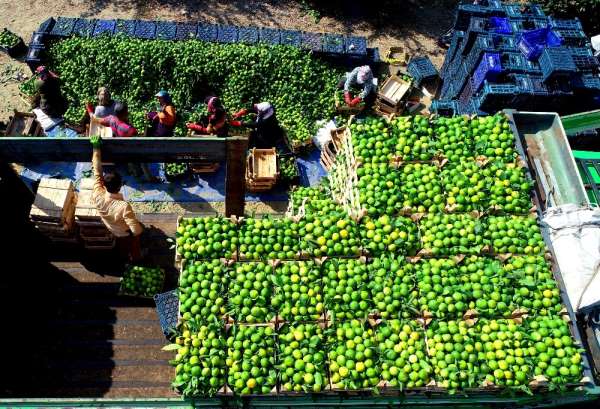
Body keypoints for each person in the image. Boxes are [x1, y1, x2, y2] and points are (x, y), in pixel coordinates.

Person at [89, 134, 144, 262]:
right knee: (133, 243)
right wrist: (136, 233)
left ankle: (125, 255)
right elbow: (136, 230)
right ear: (120, 186)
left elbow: (96, 169)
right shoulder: (123, 206)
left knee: (122, 243)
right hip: (124, 231)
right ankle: (136, 258)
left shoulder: (98, 191)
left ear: (105, 184)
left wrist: (96, 148)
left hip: (112, 227)